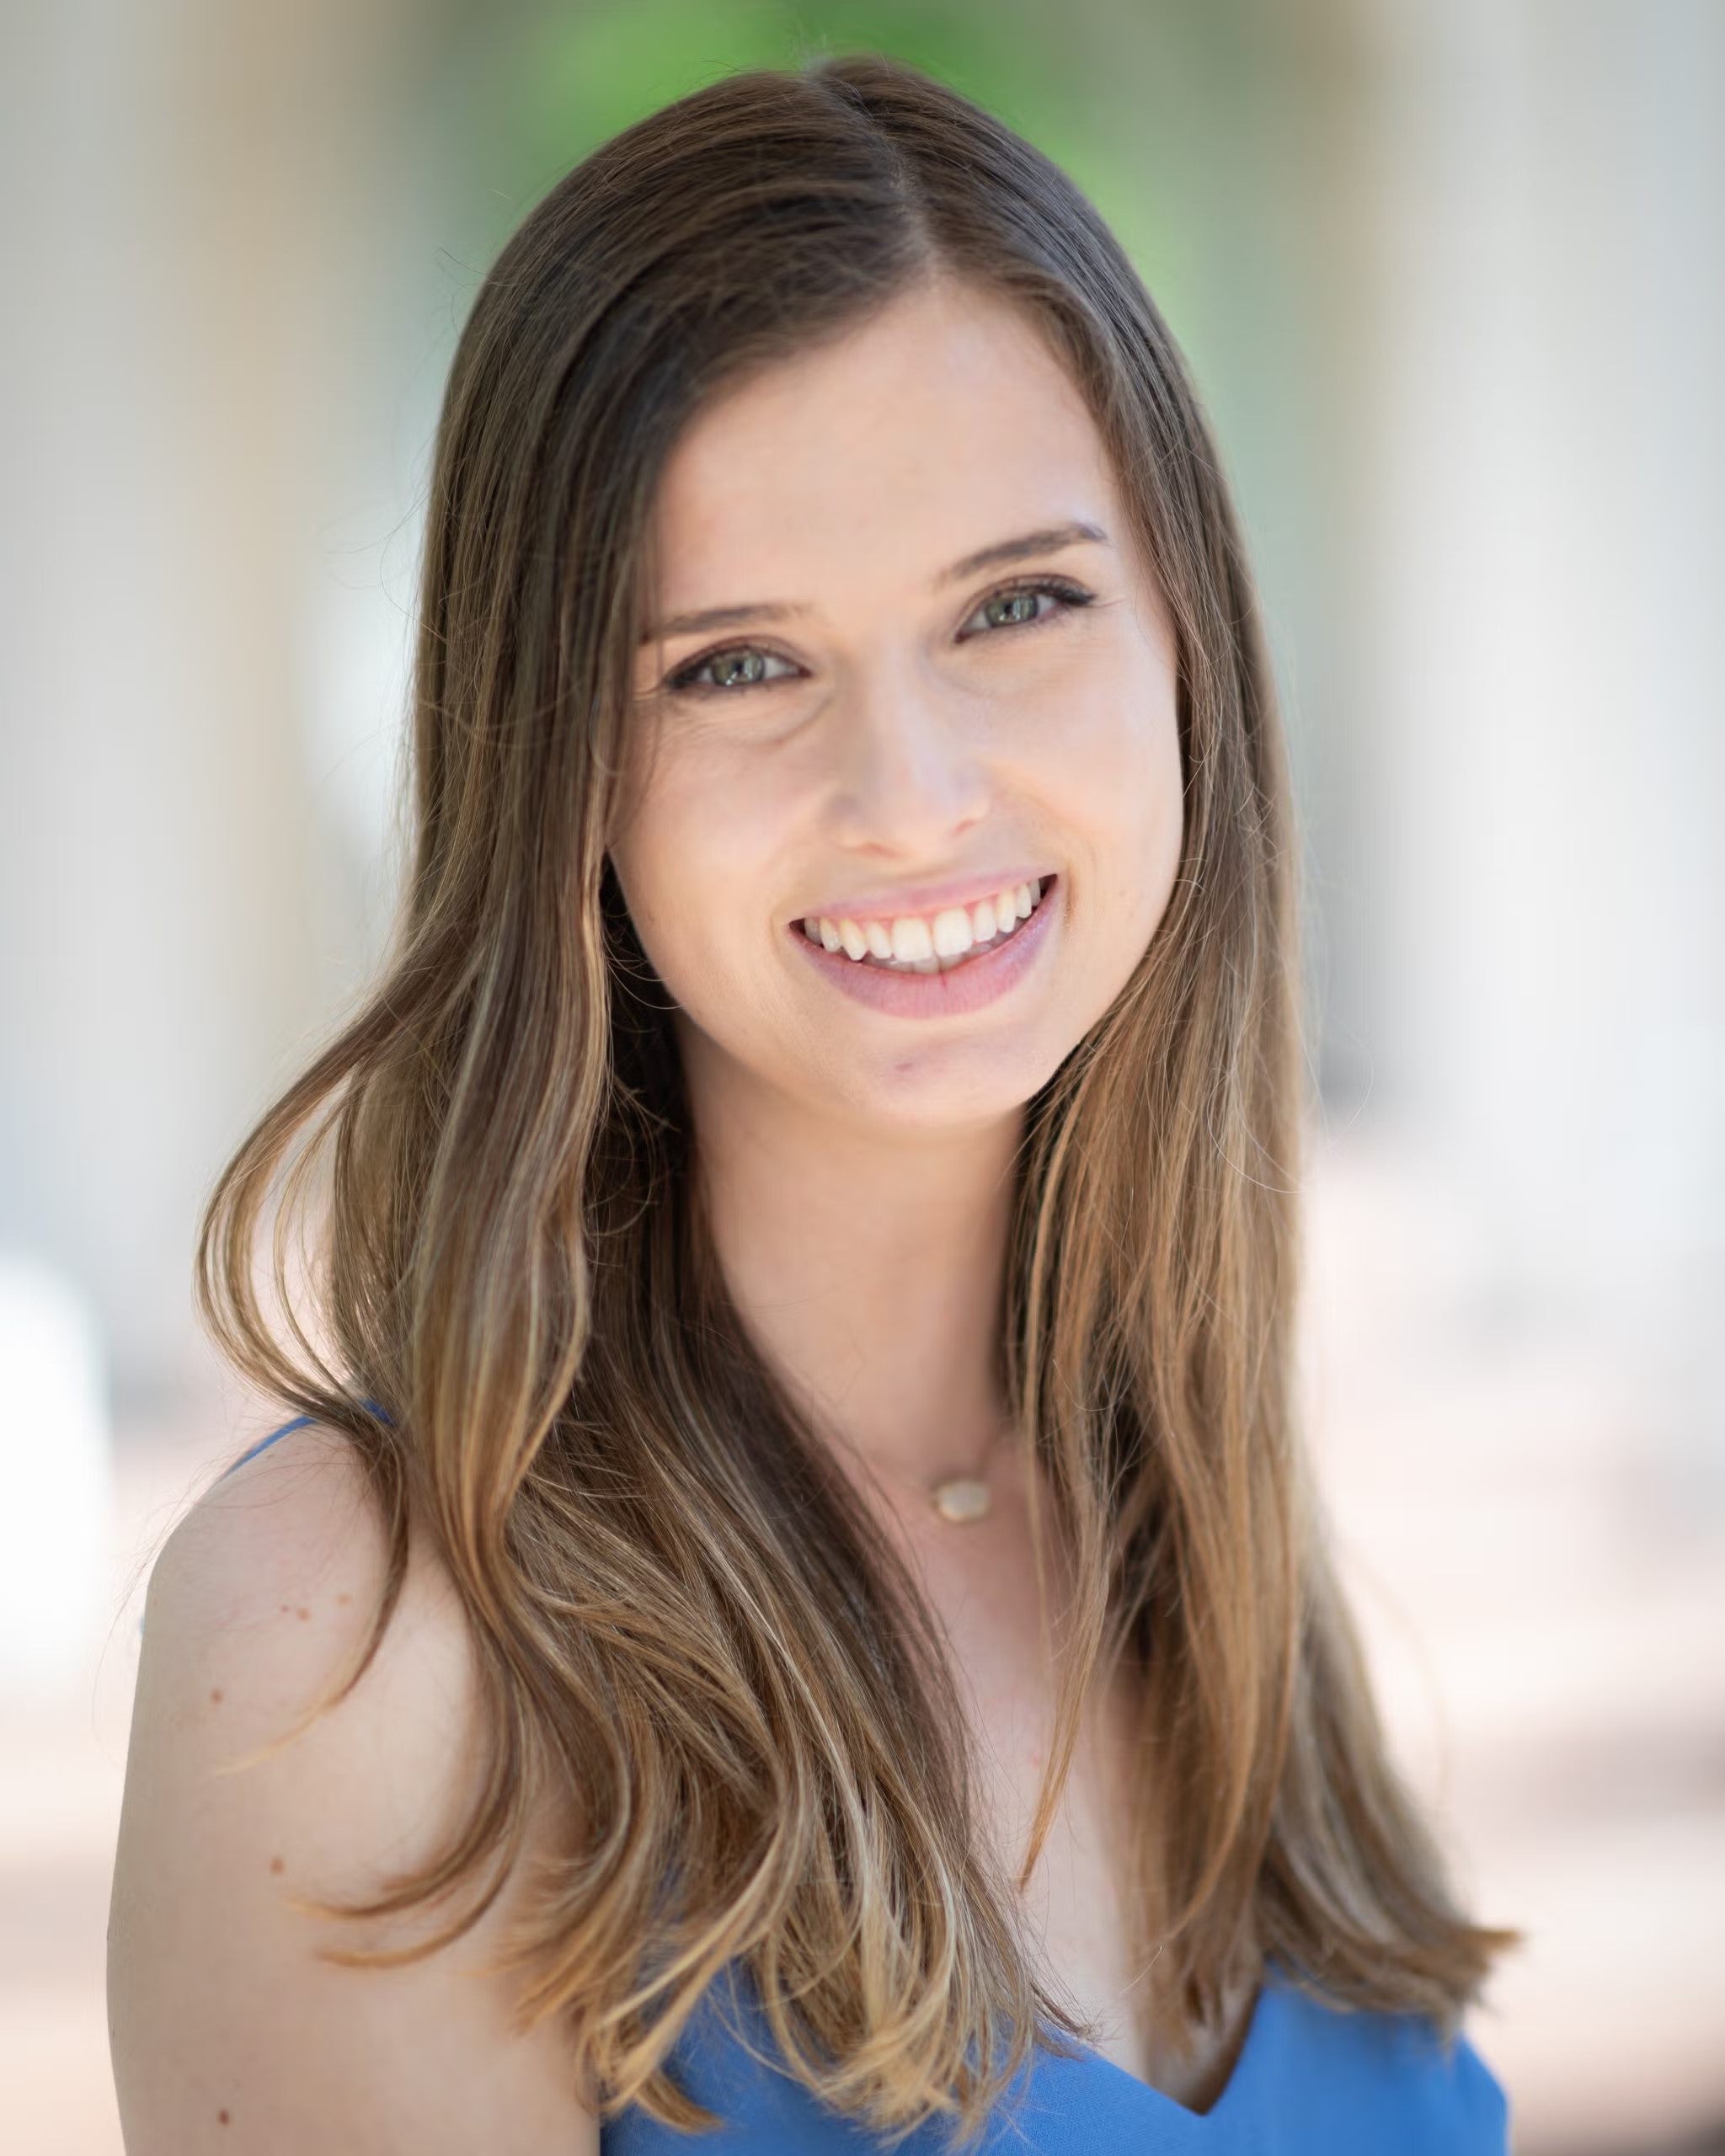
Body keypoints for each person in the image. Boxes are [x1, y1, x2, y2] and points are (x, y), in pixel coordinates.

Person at [107, 51, 1520, 2154]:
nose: (912, 794)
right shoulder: (362, 1639)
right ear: (561, 771)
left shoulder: (1183, 1513)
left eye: (1015, 603)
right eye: (736, 664)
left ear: (1184, 651)